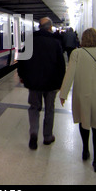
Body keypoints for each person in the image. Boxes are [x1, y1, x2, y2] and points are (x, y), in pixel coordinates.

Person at [59, 28, 96, 173]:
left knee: (84, 122)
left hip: (82, 94)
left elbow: (70, 73)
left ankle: (85, 149)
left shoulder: (77, 53)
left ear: (83, 39)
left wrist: (63, 93)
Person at [17, 17, 65, 150]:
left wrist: (22, 76)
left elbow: (22, 59)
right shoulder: (55, 42)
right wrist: (61, 82)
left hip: (34, 83)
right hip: (51, 84)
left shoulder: (30, 41)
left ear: (39, 27)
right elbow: (61, 66)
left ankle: (33, 133)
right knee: (49, 109)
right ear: (50, 27)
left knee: (34, 108)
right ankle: (48, 137)